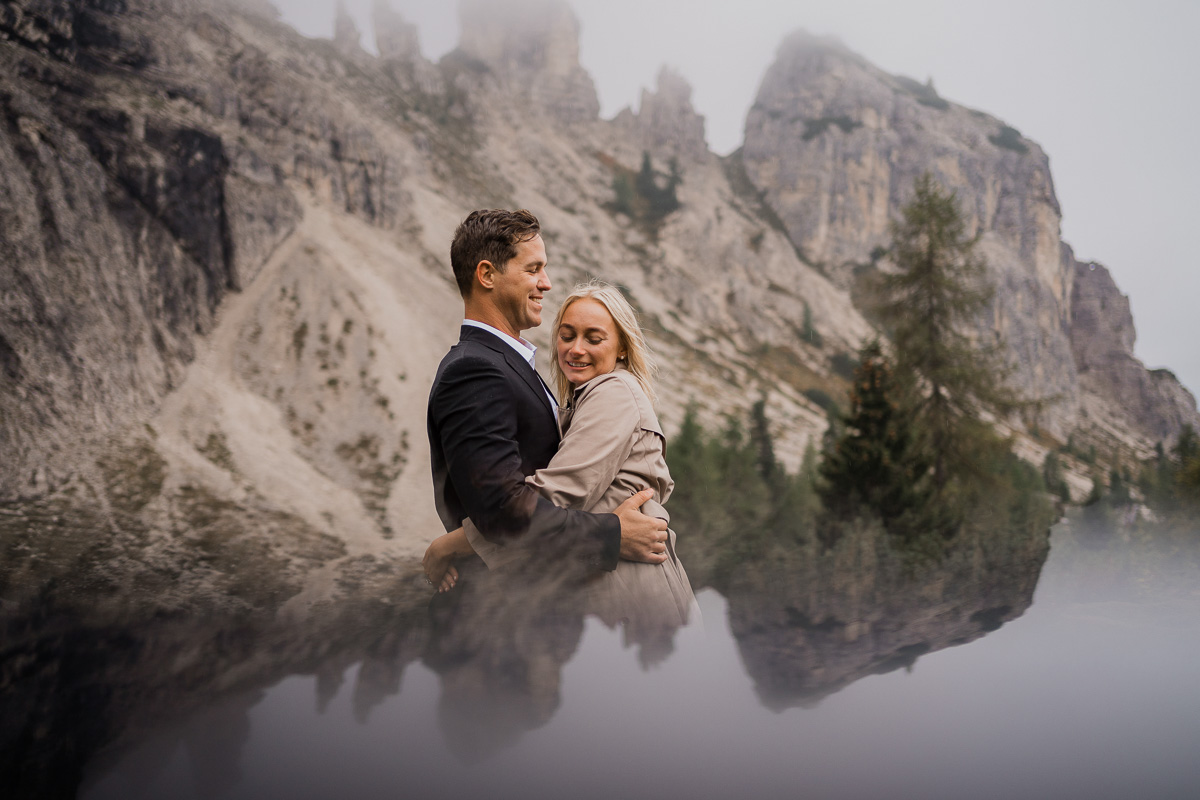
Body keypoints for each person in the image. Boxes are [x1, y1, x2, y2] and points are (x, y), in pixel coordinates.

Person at [425, 281, 699, 634]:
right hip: (624, 589)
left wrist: (450, 546)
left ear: (621, 349)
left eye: (594, 338)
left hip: (631, 592)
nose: (576, 349)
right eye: (567, 335)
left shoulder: (613, 392)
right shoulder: (583, 401)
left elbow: (556, 495)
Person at [425, 209, 668, 585]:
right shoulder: (473, 371)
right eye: (533, 269)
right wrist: (611, 535)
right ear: (487, 275)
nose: (547, 283)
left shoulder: (506, 366)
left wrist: (451, 545)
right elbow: (504, 512)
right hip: (504, 612)